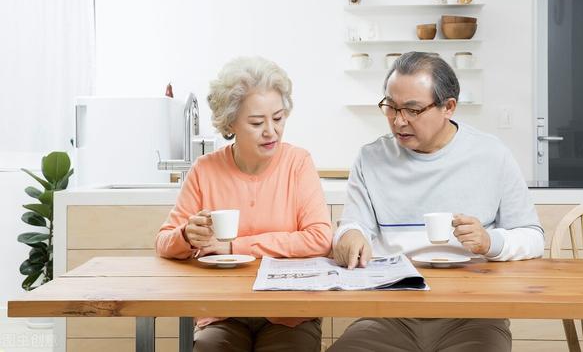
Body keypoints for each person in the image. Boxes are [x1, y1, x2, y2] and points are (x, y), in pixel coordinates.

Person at [329, 52, 544, 352]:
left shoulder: (492, 155)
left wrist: (488, 241)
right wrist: (349, 233)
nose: (398, 120)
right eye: (390, 106)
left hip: (473, 316)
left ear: (449, 107)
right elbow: (353, 226)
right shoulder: (371, 158)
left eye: (412, 110)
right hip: (390, 316)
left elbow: (533, 237)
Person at [155, 56, 332, 352]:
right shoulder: (205, 169)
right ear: (230, 122)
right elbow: (164, 242)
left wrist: (235, 247)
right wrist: (186, 235)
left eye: (278, 118)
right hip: (222, 313)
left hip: (288, 314)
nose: (271, 131)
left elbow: (319, 238)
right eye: (256, 122)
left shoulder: (297, 163)